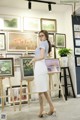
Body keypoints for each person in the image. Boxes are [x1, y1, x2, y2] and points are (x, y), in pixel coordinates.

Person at [28, 30, 55, 117]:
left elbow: (42, 56)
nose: (40, 37)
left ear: (46, 36)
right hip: (42, 67)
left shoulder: (43, 43)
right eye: (39, 36)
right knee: (43, 90)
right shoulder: (46, 43)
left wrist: (33, 59)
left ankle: (42, 110)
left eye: (42, 35)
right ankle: (51, 107)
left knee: (40, 90)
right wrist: (35, 58)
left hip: (40, 67)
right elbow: (42, 56)